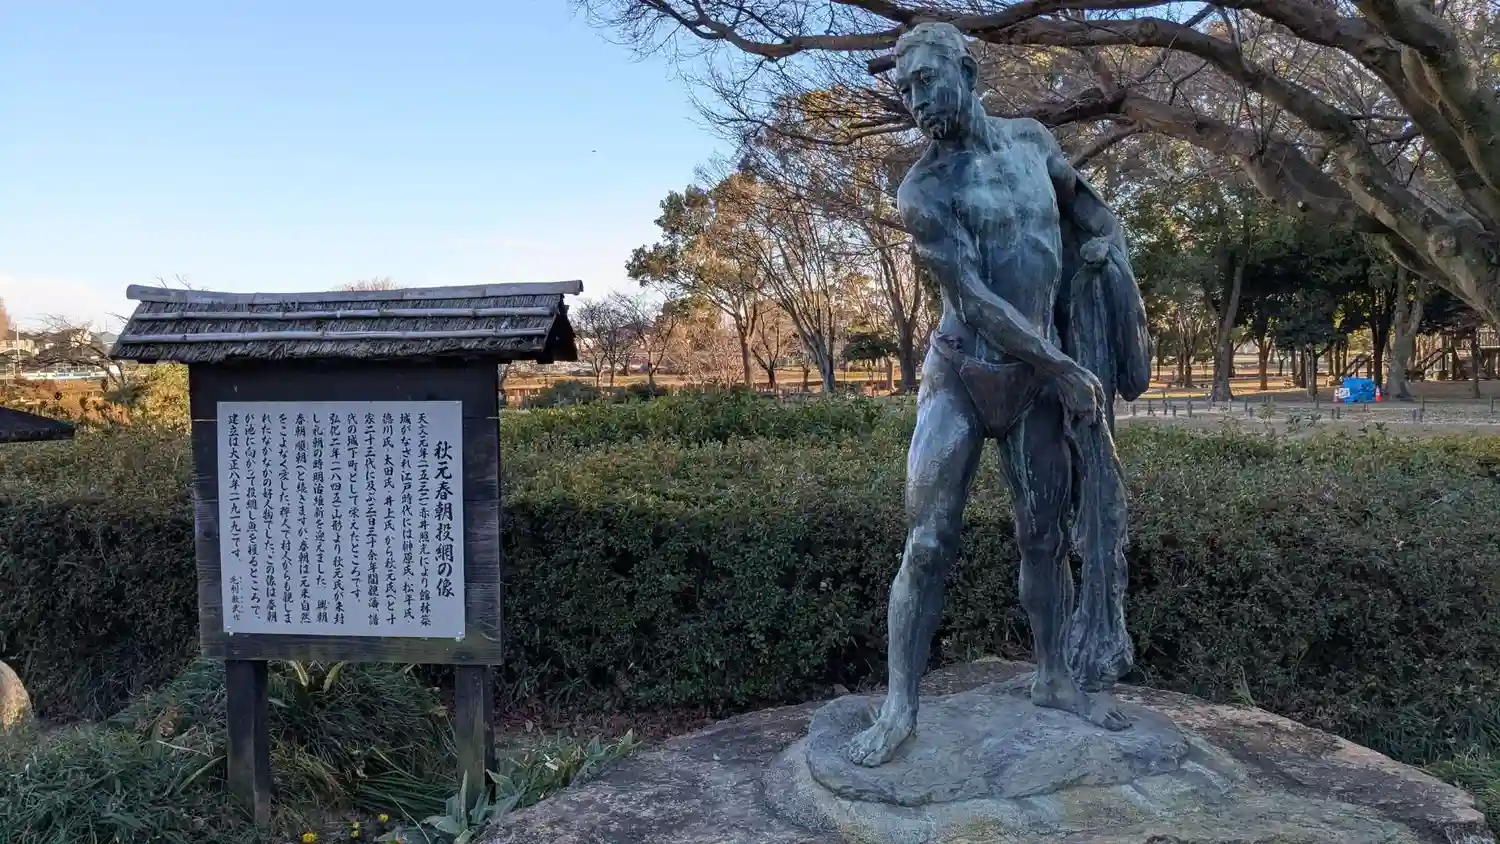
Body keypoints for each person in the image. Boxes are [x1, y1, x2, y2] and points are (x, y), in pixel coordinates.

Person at [845, 21, 1150, 768]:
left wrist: (1106, 253)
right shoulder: (923, 189)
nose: (916, 100)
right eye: (905, 90)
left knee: (1045, 539)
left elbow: (1093, 214)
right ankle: (899, 706)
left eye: (926, 81)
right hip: (962, 374)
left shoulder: (1034, 145)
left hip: (1036, 380)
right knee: (927, 542)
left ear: (968, 72)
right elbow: (975, 301)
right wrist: (1063, 367)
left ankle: (1053, 678)